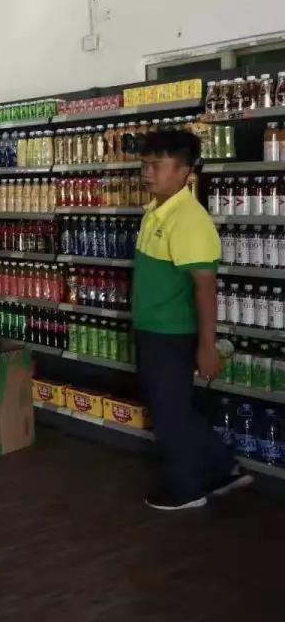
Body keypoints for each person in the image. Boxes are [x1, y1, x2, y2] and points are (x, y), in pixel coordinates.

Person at [134, 129, 252, 511]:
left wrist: (206, 346)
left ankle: (186, 490)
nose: (147, 173)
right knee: (175, 409)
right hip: (153, 329)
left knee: (169, 416)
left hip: (171, 333)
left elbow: (205, 286)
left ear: (186, 171)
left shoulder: (188, 219)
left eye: (157, 165)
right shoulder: (156, 210)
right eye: (145, 164)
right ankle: (222, 468)